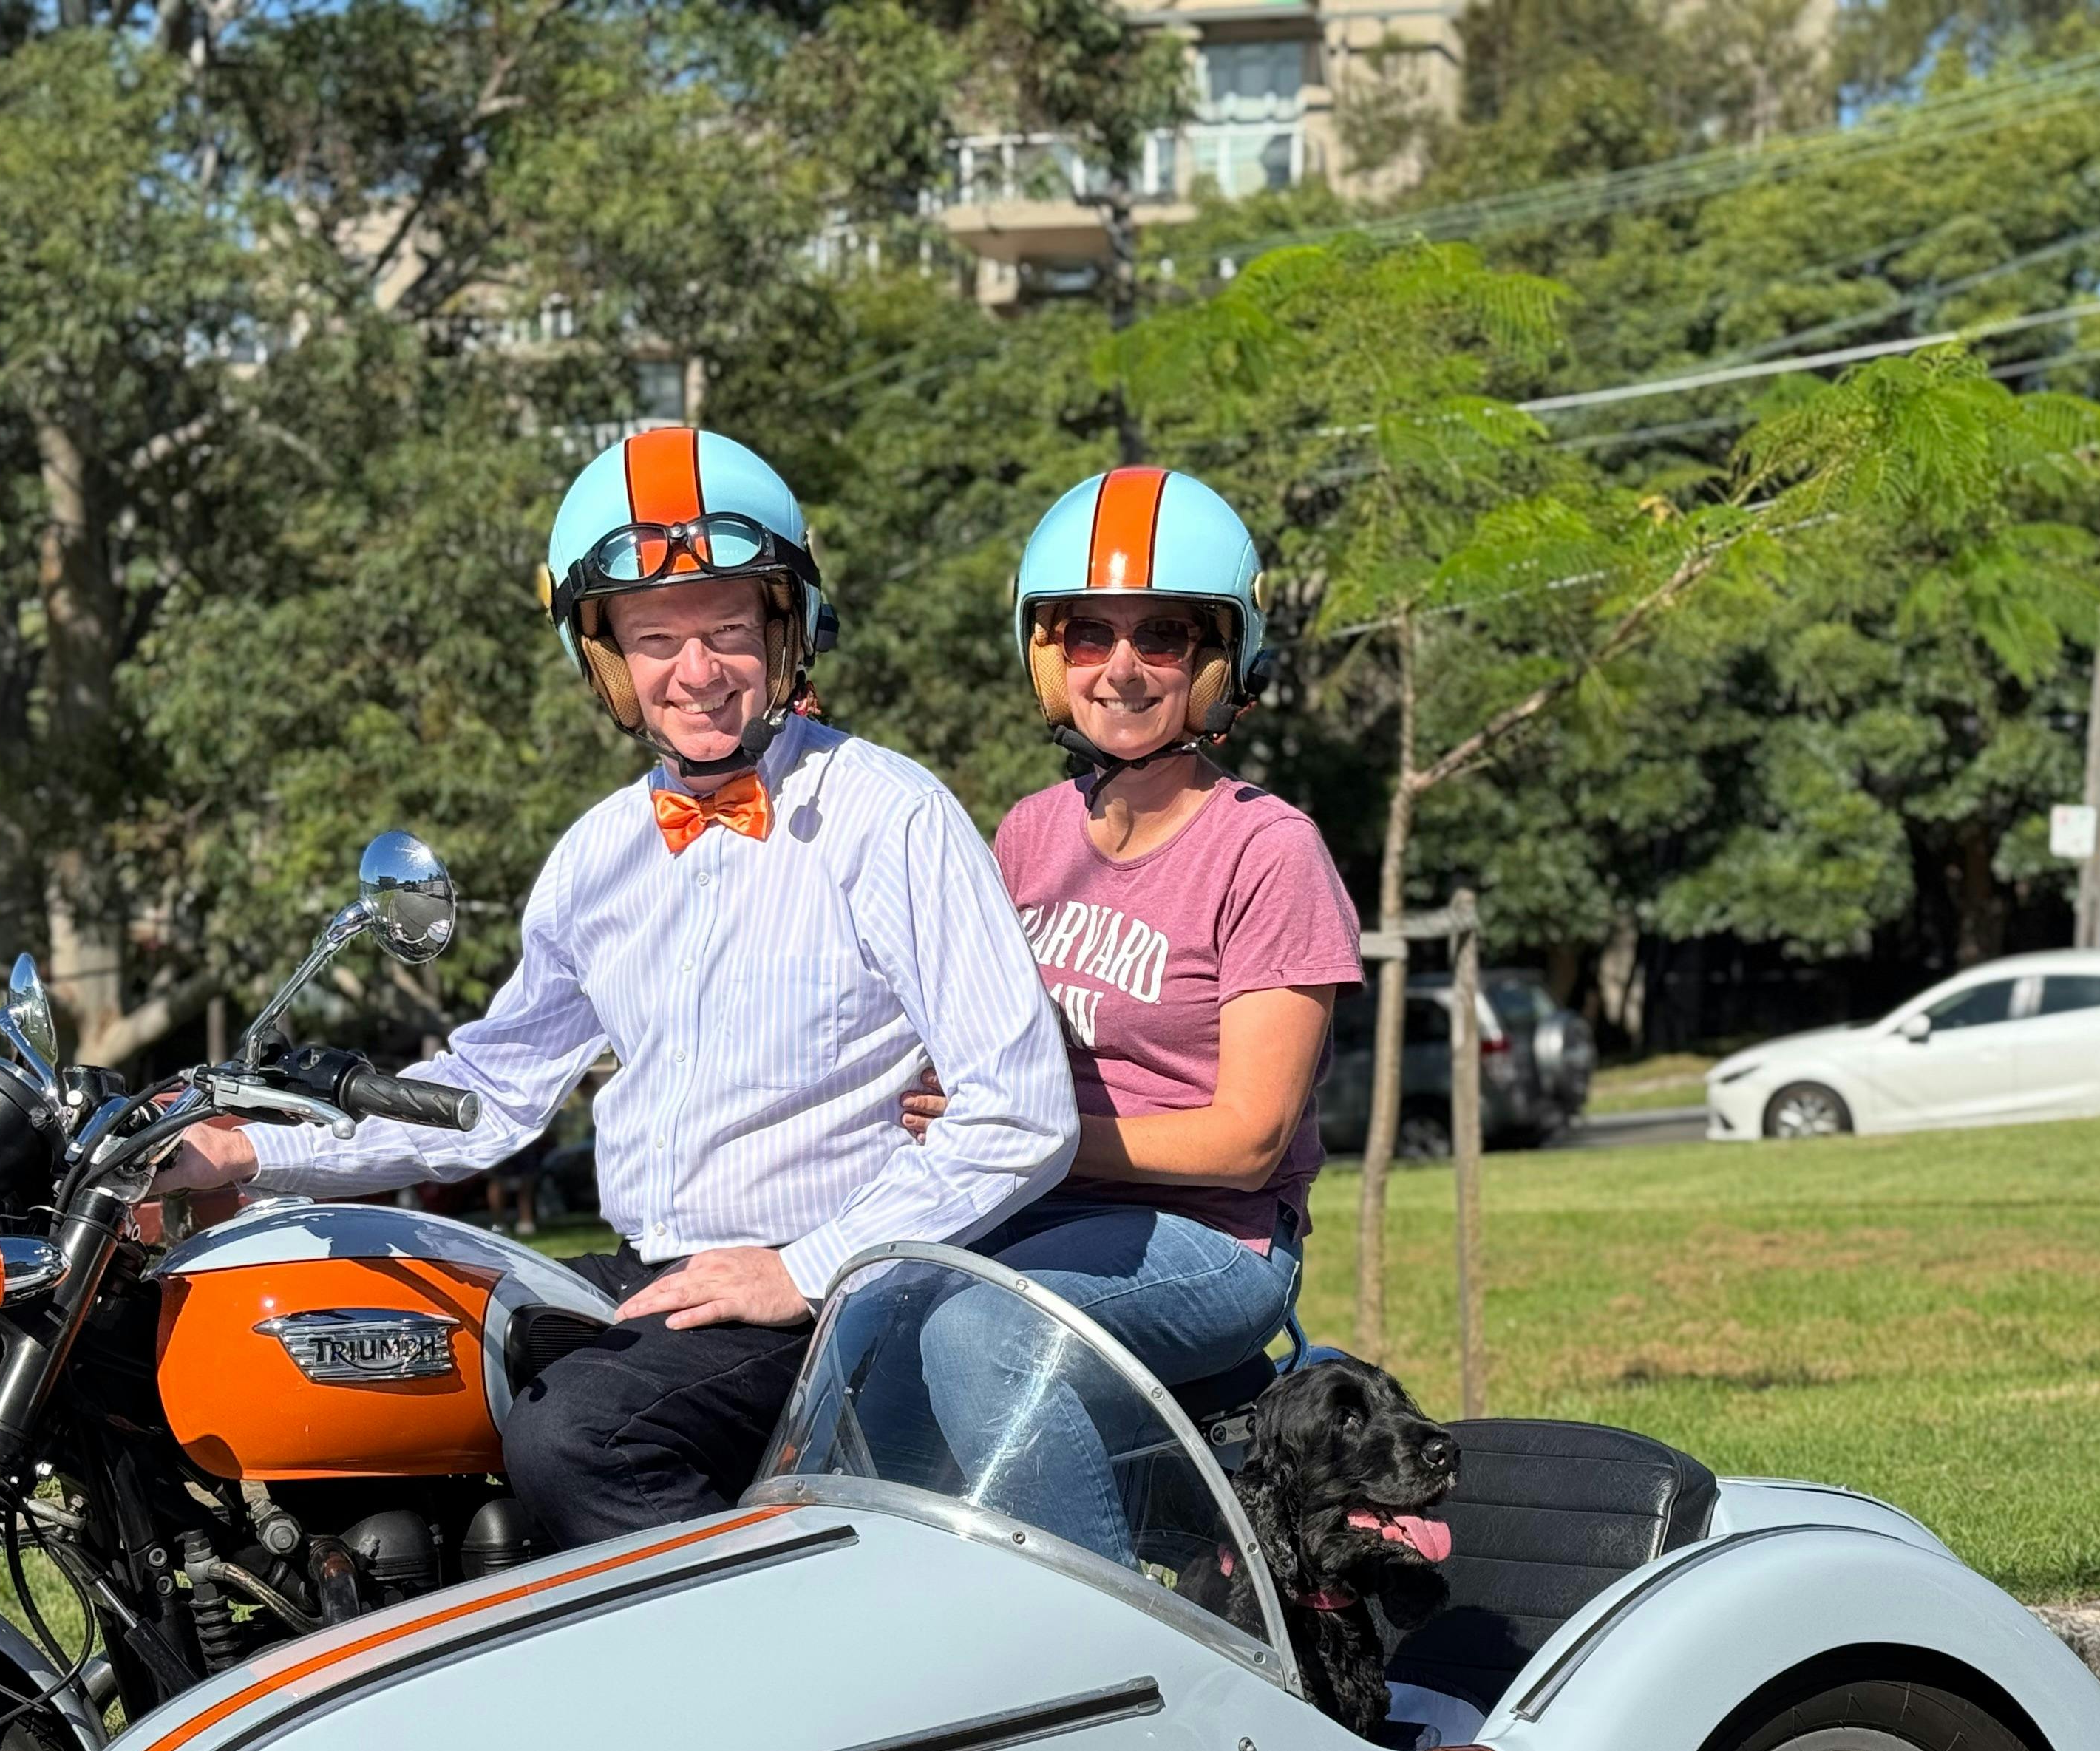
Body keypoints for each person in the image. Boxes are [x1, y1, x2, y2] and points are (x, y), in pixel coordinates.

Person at [160, 427, 1077, 1548]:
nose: (698, 672)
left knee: (581, 1440)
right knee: (356, 1341)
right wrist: (253, 1151)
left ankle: (772, 1654)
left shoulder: (892, 817)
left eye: (729, 630)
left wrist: (804, 1270)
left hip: (837, 1292)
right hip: (655, 1266)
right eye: (655, 639)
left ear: (785, 632)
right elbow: (492, 1093)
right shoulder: (598, 854)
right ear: (606, 663)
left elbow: (1019, 1112)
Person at [906, 466, 1362, 1560]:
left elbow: (1248, 1142)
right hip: (1034, 1215)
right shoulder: (1029, 833)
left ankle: (1099, 1632)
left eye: (1160, 636)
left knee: (980, 1337)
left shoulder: (1269, 850)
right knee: (854, 1319)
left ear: (1219, 663)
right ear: (1047, 657)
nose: (1120, 667)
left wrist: (1032, 1139)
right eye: (1087, 635)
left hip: (1215, 1239)